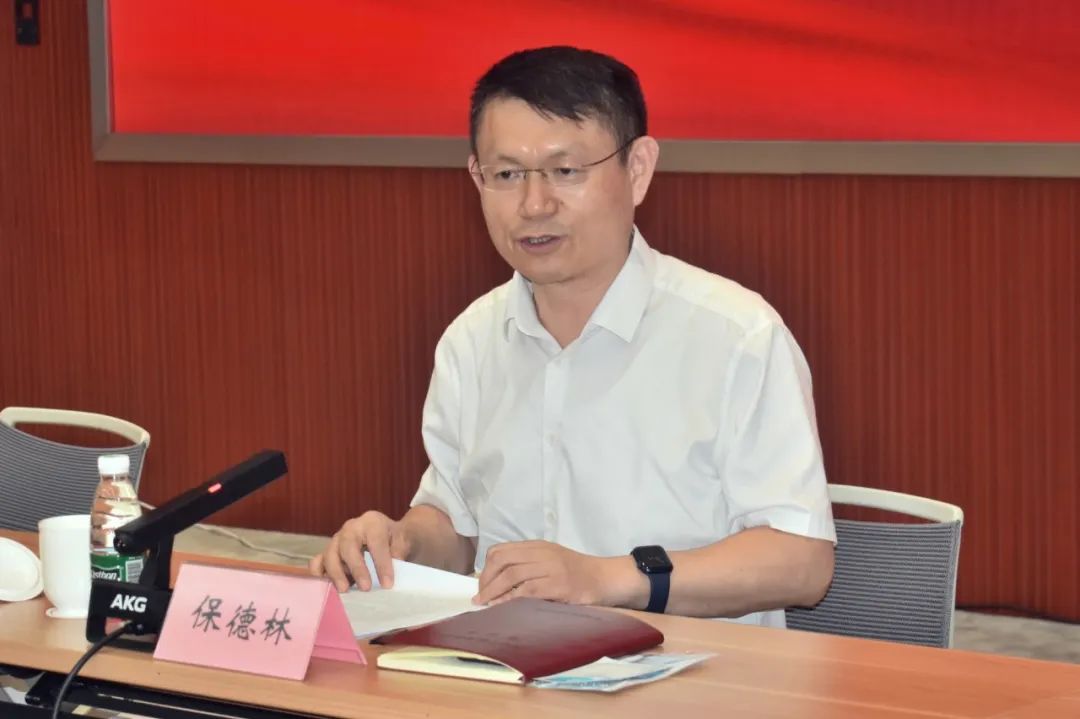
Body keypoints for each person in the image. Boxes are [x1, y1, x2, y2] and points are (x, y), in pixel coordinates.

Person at [310, 46, 835, 626]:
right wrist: (400, 543)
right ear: (476, 177)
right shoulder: (471, 341)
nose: (534, 205)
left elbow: (802, 562)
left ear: (637, 170)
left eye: (565, 172)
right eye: (507, 175)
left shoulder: (737, 337)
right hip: (505, 666)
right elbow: (458, 529)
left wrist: (607, 578)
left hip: (696, 669)